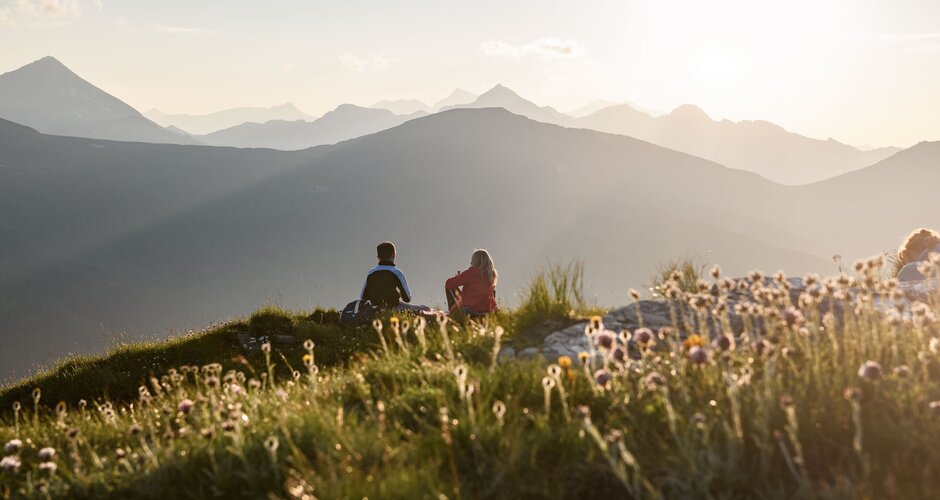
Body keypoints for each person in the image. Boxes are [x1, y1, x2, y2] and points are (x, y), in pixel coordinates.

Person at [360, 241, 428, 312]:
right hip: (394, 307)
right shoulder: (397, 272)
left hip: (375, 309)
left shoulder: (371, 272)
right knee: (425, 308)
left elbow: (363, 297)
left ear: (378, 257)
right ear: (394, 255)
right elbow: (407, 298)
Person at [445, 249, 499, 316]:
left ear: (476, 261)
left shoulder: (471, 272)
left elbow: (449, 283)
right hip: (486, 312)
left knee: (449, 286)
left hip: (469, 310)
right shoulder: (491, 275)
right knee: (492, 291)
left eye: (472, 260)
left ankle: (453, 314)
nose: (471, 262)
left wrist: (459, 278)